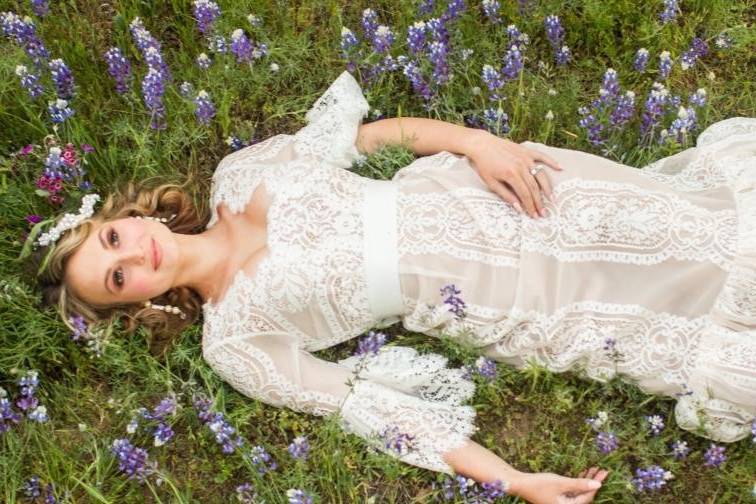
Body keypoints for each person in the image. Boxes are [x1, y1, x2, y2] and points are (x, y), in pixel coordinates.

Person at [29, 70, 755, 502]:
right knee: (665, 308)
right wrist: (514, 478)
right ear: (134, 305)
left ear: (123, 217)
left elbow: (373, 140)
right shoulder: (235, 342)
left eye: (114, 240)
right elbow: (370, 410)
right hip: (495, 294)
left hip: (483, 195)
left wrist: (477, 142)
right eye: (117, 278)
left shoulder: (239, 173)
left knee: (687, 222)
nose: (135, 256)